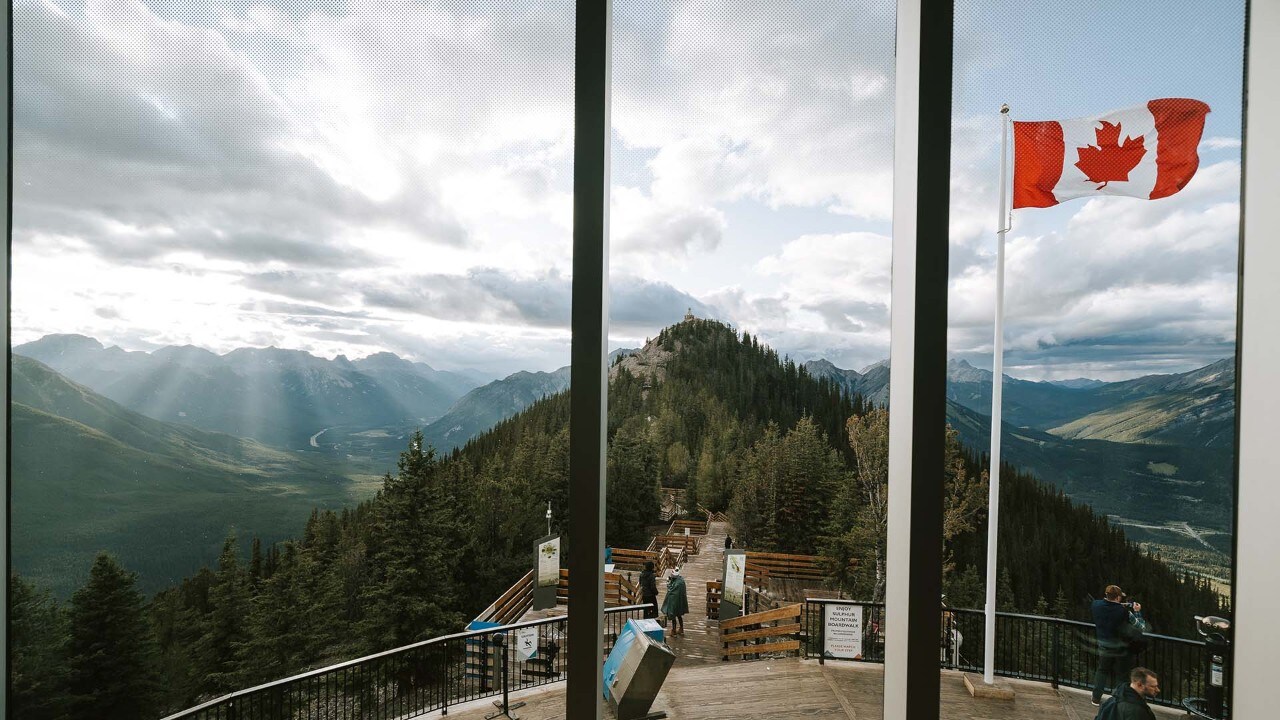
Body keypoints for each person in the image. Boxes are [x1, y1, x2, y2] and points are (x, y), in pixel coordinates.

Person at [1091, 584, 1141, 705]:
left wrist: (1117, 606)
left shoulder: (1095, 605)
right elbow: (1141, 626)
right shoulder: (1124, 612)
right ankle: (1118, 700)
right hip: (1120, 647)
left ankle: (1096, 698)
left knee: (1102, 670)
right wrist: (1137, 612)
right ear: (1118, 597)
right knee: (1122, 674)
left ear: (1106, 595)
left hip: (1103, 645)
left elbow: (1106, 608)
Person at [1094, 667, 1160, 720]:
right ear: (1139, 685)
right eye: (1153, 686)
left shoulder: (1112, 699)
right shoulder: (1136, 712)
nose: (1158, 690)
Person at [661, 567, 690, 636]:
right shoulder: (681, 581)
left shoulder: (676, 584)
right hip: (680, 600)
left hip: (674, 601)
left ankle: (673, 630)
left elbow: (670, 590)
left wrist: (668, 582)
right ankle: (681, 628)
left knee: (673, 615)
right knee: (679, 615)